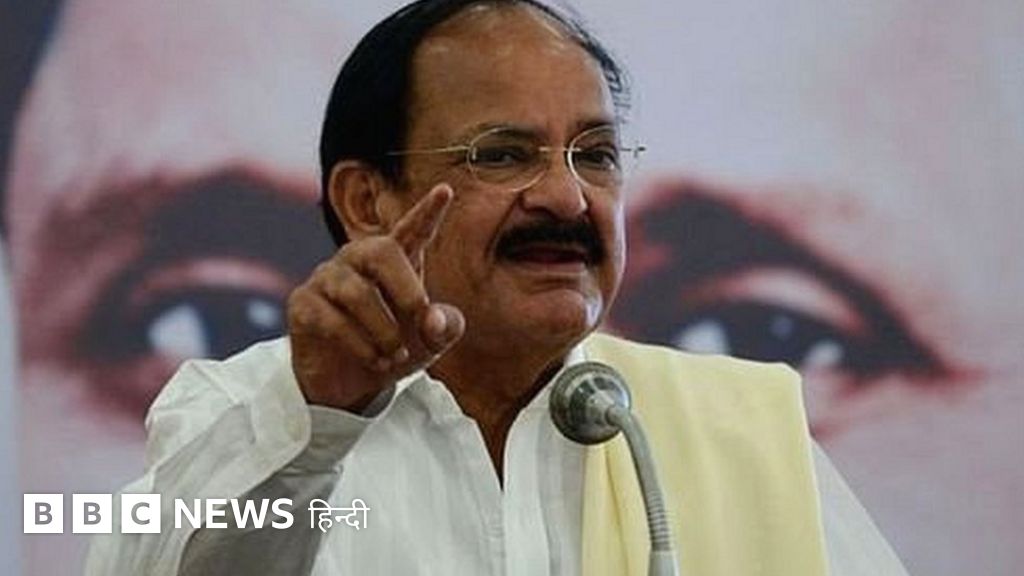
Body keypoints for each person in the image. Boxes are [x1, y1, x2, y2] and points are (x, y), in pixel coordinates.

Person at [85, 1, 907, 575]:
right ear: (368, 201)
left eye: (595, 155)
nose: (568, 198)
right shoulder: (238, 409)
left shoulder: (736, 431)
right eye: (503, 155)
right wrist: (318, 423)